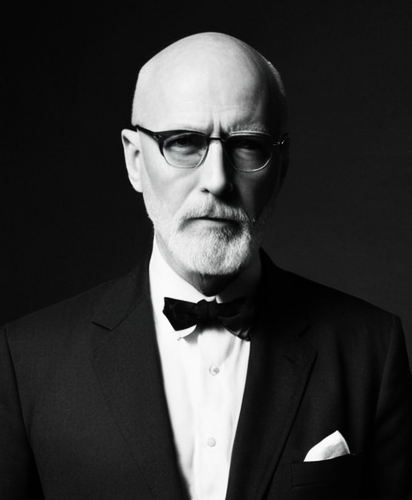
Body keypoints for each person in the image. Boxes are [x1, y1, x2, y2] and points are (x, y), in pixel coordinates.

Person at [1, 32, 411, 500]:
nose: (217, 180)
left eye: (248, 146)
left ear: (281, 167)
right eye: (183, 142)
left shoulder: (371, 350)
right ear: (135, 160)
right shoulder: (27, 362)